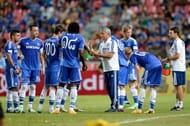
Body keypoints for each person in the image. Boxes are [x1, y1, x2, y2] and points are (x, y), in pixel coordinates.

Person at [52, 22, 87, 114]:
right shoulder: (80, 38)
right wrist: (84, 63)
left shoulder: (63, 36)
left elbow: (58, 45)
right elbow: (80, 51)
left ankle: (57, 108)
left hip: (64, 64)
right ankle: (71, 108)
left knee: (61, 85)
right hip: (74, 64)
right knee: (74, 85)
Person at [37, 24, 65, 113]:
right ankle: (51, 108)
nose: (62, 36)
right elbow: (61, 55)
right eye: (62, 33)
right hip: (55, 67)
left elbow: (43, 54)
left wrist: (44, 64)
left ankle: (39, 108)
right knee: (53, 87)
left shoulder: (46, 41)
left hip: (48, 66)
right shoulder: (58, 42)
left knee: (45, 87)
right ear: (59, 32)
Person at [124, 47, 162, 114]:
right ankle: (151, 109)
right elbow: (144, 62)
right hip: (158, 64)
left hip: (150, 66)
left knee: (143, 86)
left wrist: (138, 82)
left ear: (126, 54)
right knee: (153, 87)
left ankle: (139, 109)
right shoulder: (139, 53)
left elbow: (137, 69)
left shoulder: (132, 56)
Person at [91, 27, 119, 112]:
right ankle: (114, 105)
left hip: (113, 68)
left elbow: (110, 55)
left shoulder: (112, 42)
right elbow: (99, 54)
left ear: (108, 34)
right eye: (101, 33)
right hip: (106, 69)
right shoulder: (102, 43)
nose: (101, 35)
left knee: (113, 88)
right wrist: (92, 52)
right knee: (109, 88)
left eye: (103, 33)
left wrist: (98, 54)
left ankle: (114, 106)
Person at [18, 24, 45, 113]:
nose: (36, 32)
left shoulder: (40, 42)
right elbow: (17, 49)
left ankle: (30, 107)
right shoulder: (22, 41)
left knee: (33, 87)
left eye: (37, 30)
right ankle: (21, 106)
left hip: (36, 67)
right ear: (30, 31)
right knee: (24, 86)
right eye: (34, 30)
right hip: (25, 67)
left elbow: (41, 55)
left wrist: (43, 66)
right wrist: (19, 55)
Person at [162, 26, 186, 111]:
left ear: (176, 33)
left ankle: (181, 104)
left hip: (178, 67)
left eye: (171, 33)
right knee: (177, 86)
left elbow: (177, 56)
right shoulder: (177, 42)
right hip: (178, 67)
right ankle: (177, 104)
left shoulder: (178, 42)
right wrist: (166, 60)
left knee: (178, 86)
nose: (169, 34)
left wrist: (168, 59)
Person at [120, 25, 139, 109]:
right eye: (128, 32)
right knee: (122, 84)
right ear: (123, 33)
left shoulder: (133, 41)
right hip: (123, 65)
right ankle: (124, 101)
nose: (129, 34)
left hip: (130, 65)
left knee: (131, 84)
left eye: (130, 32)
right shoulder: (120, 42)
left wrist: (131, 61)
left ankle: (136, 103)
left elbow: (135, 53)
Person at [4, 30, 21, 113]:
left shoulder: (14, 45)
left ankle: (9, 108)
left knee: (11, 89)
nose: (19, 37)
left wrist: (18, 57)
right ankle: (16, 108)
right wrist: (15, 68)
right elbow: (9, 57)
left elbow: (13, 57)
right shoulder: (10, 44)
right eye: (17, 35)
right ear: (13, 36)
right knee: (14, 88)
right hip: (11, 69)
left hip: (12, 68)